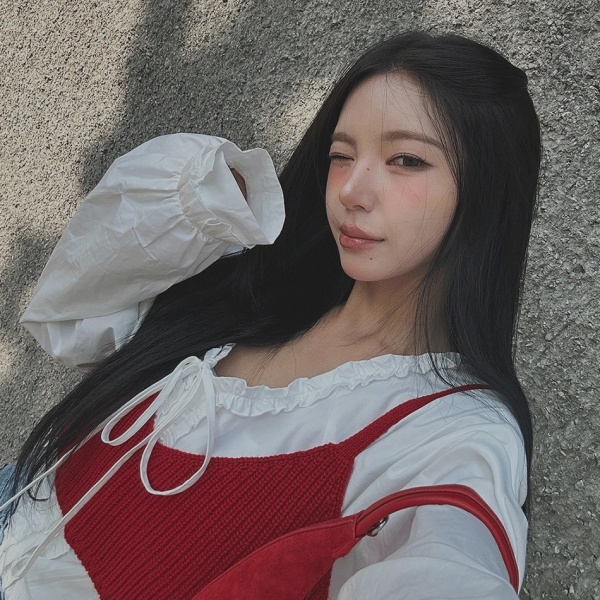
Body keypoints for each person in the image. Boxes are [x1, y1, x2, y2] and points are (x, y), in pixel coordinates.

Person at [0, 30, 540, 599]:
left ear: (487, 189)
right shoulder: (259, 285)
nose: (351, 190)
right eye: (341, 155)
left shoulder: (451, 432)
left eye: (406, 160)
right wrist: (205, 199)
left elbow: (447, 562)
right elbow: (71, 314)